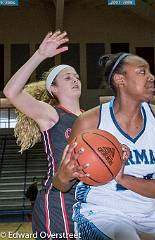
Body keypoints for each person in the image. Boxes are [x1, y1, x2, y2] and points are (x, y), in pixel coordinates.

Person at [54, 52, 155, 240]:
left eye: (150, 72)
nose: (151, 77)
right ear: (120, 79)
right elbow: (61, 184)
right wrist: (64, 176)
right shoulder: (90, 122)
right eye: (142, 72)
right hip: (100, 214)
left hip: (148, 217)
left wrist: (122, 178)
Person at [4, 30, 83, 239]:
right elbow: (11, 92)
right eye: (68, 77)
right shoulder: (51, 114)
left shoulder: (90, 117)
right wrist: (40, 54)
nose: (75, 80)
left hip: (86, 199)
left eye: (76, 76)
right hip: (58, 200)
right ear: (54, 89)